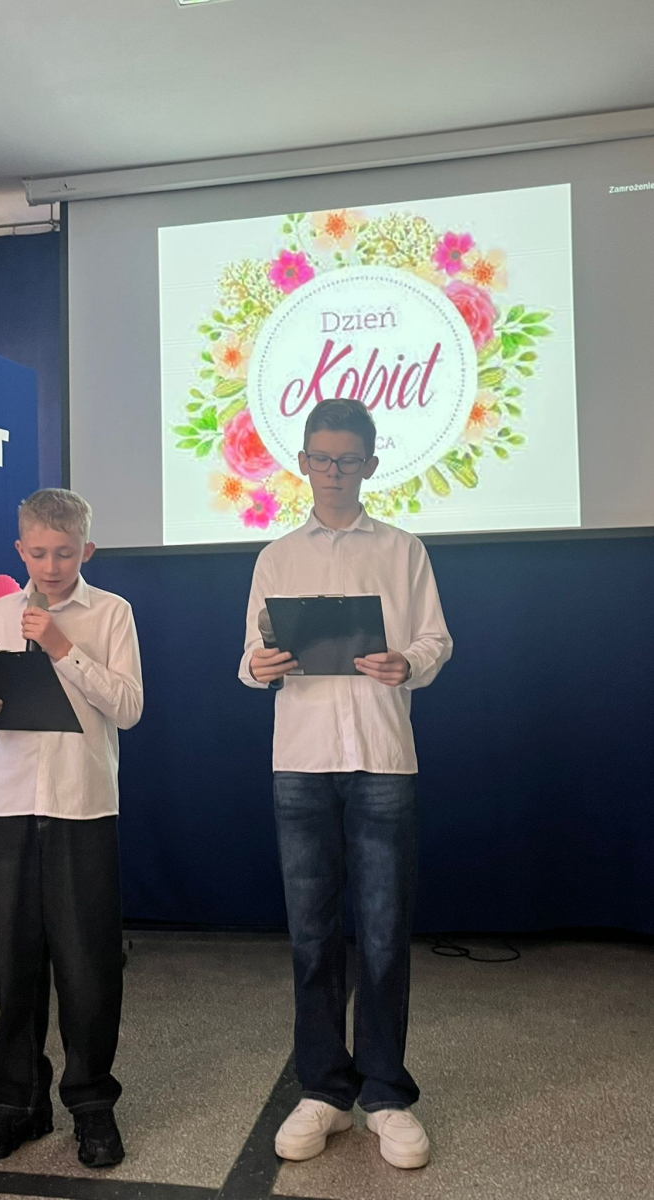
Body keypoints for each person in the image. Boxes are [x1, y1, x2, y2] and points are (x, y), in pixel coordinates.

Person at [239, 399, 452, 1170]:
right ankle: (324, 1090)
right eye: (321, 459)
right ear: (302, 463)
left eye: (348, 459)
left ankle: (386, 1094)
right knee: (311, 936)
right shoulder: (276, 556)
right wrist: (262, 664)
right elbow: (249, 659)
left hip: (383, 756)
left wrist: (408, 663)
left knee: (386, 933)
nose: (333, 472)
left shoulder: (402, 549)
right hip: (300, 757)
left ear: (370, 463)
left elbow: (436, 639)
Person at [0, 488, 143, 1169]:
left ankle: (91, 1104)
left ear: (86, 550)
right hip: (10, 801)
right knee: (13, 960)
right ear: (20, 550)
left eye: (65, 553)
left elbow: (129, 708)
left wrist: (64, 648)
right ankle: (17, 1103)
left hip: (82, 803)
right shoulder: (2, 611)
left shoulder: (112, 612)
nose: (52, 565)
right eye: (38, 553)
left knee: (87, 963)